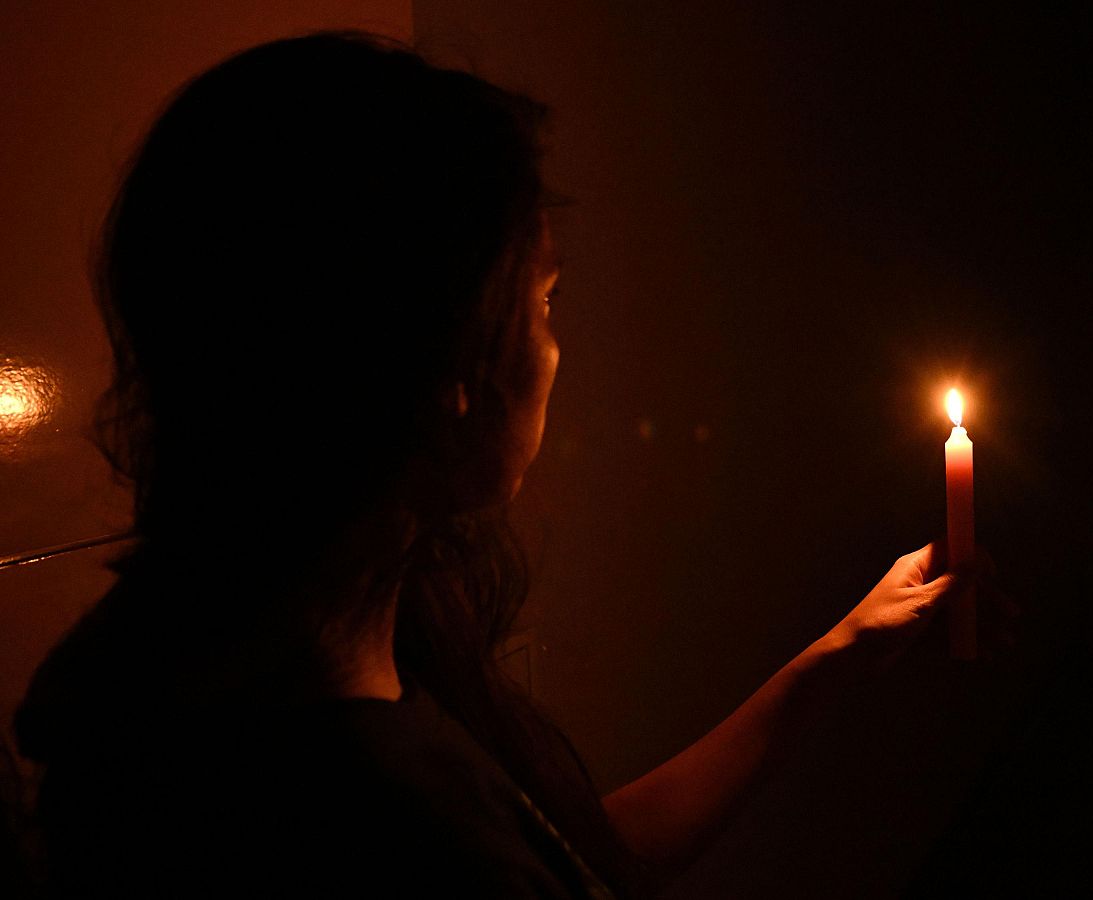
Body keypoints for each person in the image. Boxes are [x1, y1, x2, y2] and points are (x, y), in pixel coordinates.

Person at [14, 32, 1001, 898]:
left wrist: (827, 663)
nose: (555, 347)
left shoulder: (193, 674)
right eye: (539, 302)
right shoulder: (362, 823)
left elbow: (580, 856)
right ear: (447, 370)